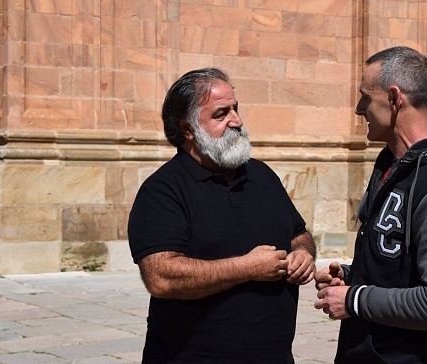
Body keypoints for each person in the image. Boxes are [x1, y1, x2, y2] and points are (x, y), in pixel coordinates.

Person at [128, 67, 316, 363]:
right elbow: (161, 277)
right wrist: (246, 268)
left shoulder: (262, 176)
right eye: (221, 114)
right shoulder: (163, 191)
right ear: (188, 129)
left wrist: (303, 254)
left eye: (236, 109)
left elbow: (299, 233)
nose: (237, 121)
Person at [314, 46, 427, 363]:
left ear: (394, 99)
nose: (358, 108)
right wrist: (355, 275)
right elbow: (401, 267)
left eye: (366, 97)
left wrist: (355, 299)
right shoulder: (391, 164)